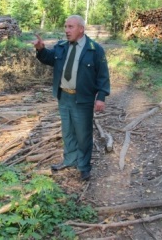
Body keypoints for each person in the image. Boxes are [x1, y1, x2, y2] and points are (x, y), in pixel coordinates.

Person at [33, 15, 110, 181]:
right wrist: (40, 49)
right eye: (66, 27)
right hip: (64, 97)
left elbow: (103, 76)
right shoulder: (62, 47)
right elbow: (48, 58)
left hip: (82, 99)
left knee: (83, 134)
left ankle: (83, 167)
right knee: (67, 131)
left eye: (71, 27)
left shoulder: (94, 49)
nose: (67, 30)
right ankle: (69, 160)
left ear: (81, 29)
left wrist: (101, 97)